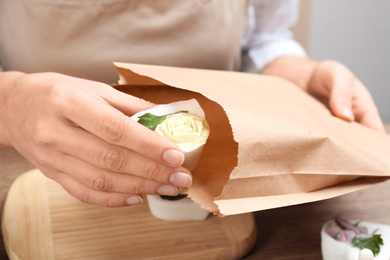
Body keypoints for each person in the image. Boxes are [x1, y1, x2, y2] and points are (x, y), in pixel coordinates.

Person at [0, 0, 384, 207]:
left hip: (222, 180)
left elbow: (266, 39)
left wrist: (290, 74)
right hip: (31, 172)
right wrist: (10, 103)